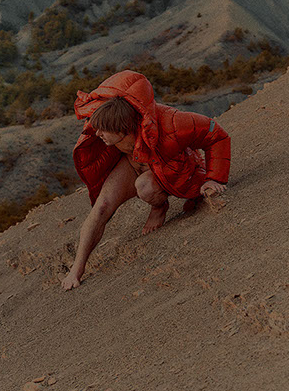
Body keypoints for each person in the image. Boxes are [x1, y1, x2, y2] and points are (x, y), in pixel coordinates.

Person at [61, 69, 231, 290]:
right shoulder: (113, 120)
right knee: (101, 207)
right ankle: (77, 269)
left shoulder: (172, 123)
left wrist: (214, 178)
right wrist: (75, 272)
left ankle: (159, 206)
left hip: (170, 164)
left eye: (104, 129)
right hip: (132, 161)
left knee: (145, 186)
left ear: (122, 129)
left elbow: (215, 133)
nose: (97, 133)